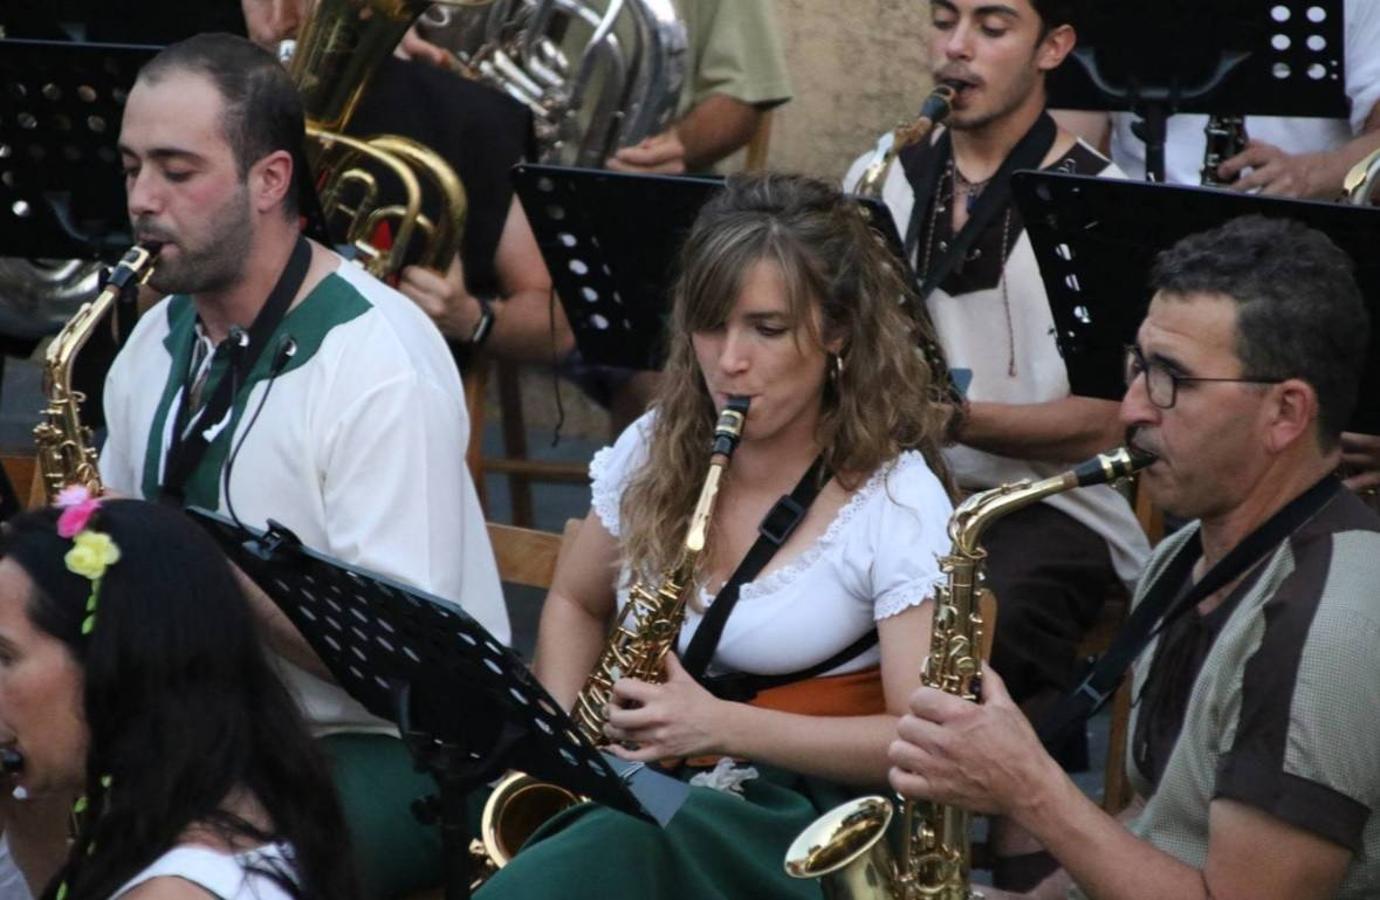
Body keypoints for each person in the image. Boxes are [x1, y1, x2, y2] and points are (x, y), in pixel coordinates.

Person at [93, 33, 505, 897]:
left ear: (271, 179)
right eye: (131, 168)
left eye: (176, 171)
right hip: (196, 728)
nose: (141, 200)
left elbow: (405, 670)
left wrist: (195, 569)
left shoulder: (379, 364)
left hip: (382, 755)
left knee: (180, 881)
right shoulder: (151, 339)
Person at [471, 172, 953, 899]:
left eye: (767, 329)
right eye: (709, 325)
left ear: (838, 330)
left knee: (602, 855)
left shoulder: (898, 499)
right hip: (661, 785)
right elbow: (575, 600)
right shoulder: (656, 443)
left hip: (806, 822)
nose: (729, 361)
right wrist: (563, 748)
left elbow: (924, 741)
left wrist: (720, 726)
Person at [890, 215, 1380, 899]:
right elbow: (1161, 818)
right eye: (1138, 369)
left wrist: (1030, 789)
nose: (1131, 411)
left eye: (1171, 380)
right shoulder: (1182, 556)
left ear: (1286, 413)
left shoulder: (1325, 631)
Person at [842, 1, 1148, 871]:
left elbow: (1107, 420)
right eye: (945, 20)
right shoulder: (879, 175)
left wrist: (947, 419)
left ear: (1054, 48)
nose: (956, 48)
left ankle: (1014, 853)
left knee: (988, 616)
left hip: (1058, 503)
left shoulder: (1102, 200)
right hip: (902, 488)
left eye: (992, 25)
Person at [0, 496, 358, 900]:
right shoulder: (251, 813)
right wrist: (36, 840)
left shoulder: (173, 892)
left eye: (5, 656)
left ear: (113, 661)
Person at [242, 0, 572, 365]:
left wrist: (471, 318)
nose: (280, 12)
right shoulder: (207, 89)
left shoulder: (472, 121)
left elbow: (555, 326)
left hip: (372, 381)